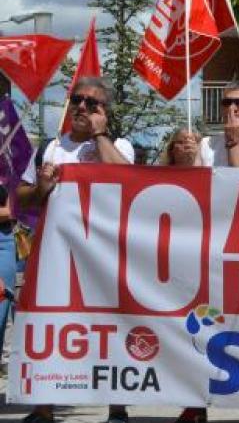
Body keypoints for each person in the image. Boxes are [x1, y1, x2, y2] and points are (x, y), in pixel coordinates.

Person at [17, 76, 134, 423]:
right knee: (52, 325)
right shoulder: (50, 148)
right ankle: (43, 407)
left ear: (105, 112)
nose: (81, 107)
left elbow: (128, 182)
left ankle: (117, 408)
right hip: (57, 253)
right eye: (77, 100)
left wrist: (99, 136)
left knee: (111, 326)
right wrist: (41, 188)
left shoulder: (120, 146)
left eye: (91, 103)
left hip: (105, 253)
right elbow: (21, 198)